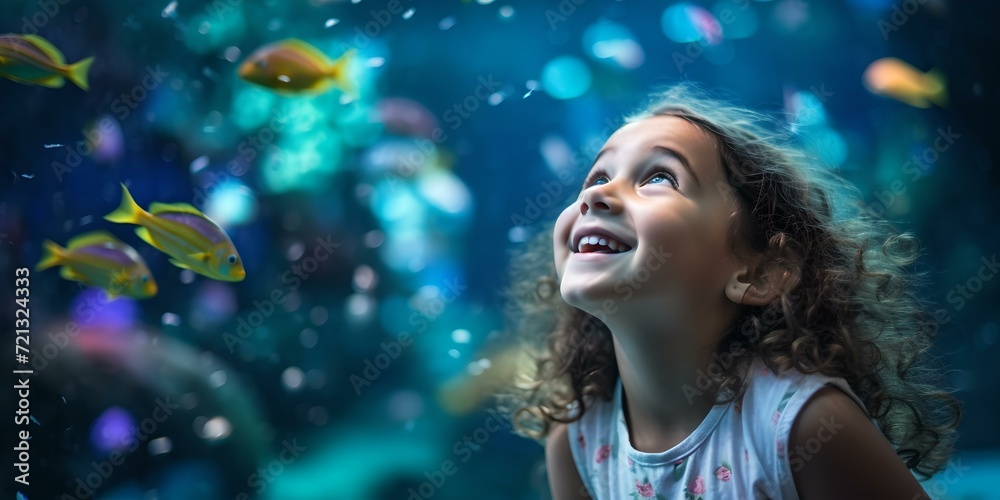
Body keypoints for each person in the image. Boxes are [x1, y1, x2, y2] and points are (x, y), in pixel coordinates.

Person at [498, 83, 962, 499]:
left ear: (760, 273)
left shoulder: (804, 428)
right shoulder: (579, 439)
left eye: (659, 177)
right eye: (598, 177)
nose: (595, 196)